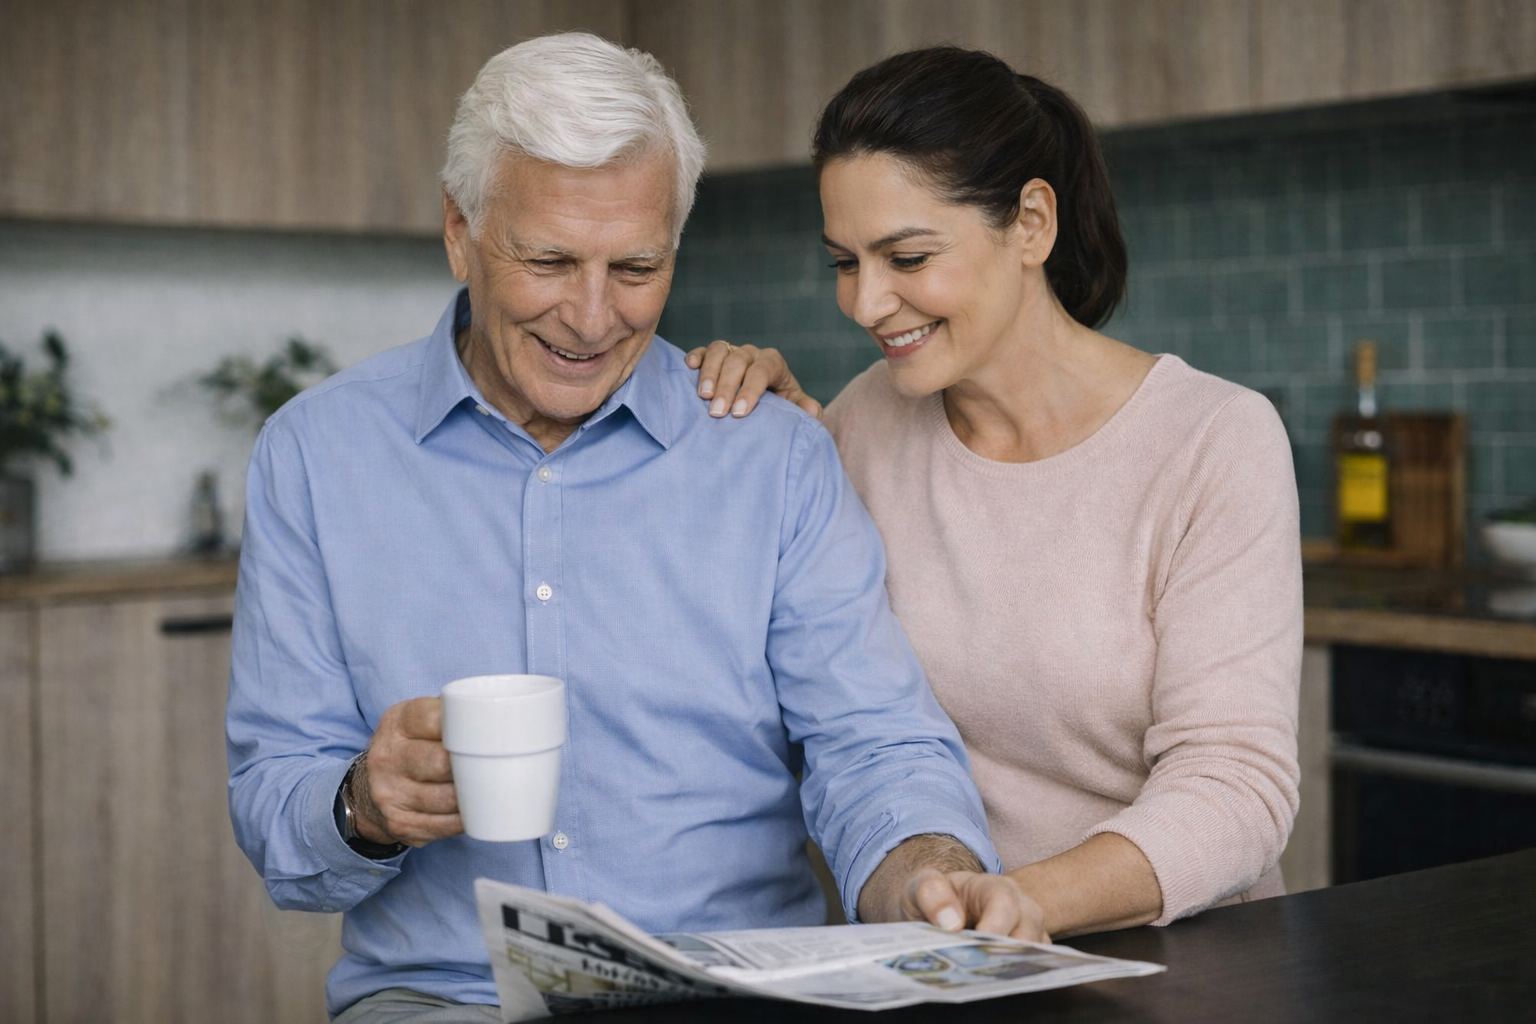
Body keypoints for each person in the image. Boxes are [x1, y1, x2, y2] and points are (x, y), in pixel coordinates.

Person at [226, 33, 1040, 1024]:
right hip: (445, 1000)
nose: (592, 316)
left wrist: (928, 875)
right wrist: (362, 803)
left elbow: (873, 747)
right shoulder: (316, 455)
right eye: (549, 260)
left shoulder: (769, 454)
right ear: (458, 231)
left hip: (735, 992)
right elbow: (278, 817)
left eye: (637, 266)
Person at [688, 46, 1302, 939]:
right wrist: (765, 442)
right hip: (951, 956)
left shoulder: (1213, 439)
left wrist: (1027, 900)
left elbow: (1236, 785)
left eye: (906, 256)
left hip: (1173, 957)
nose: (864, 303)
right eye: (844, 262)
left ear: (1031, 224)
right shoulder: (858, 428)